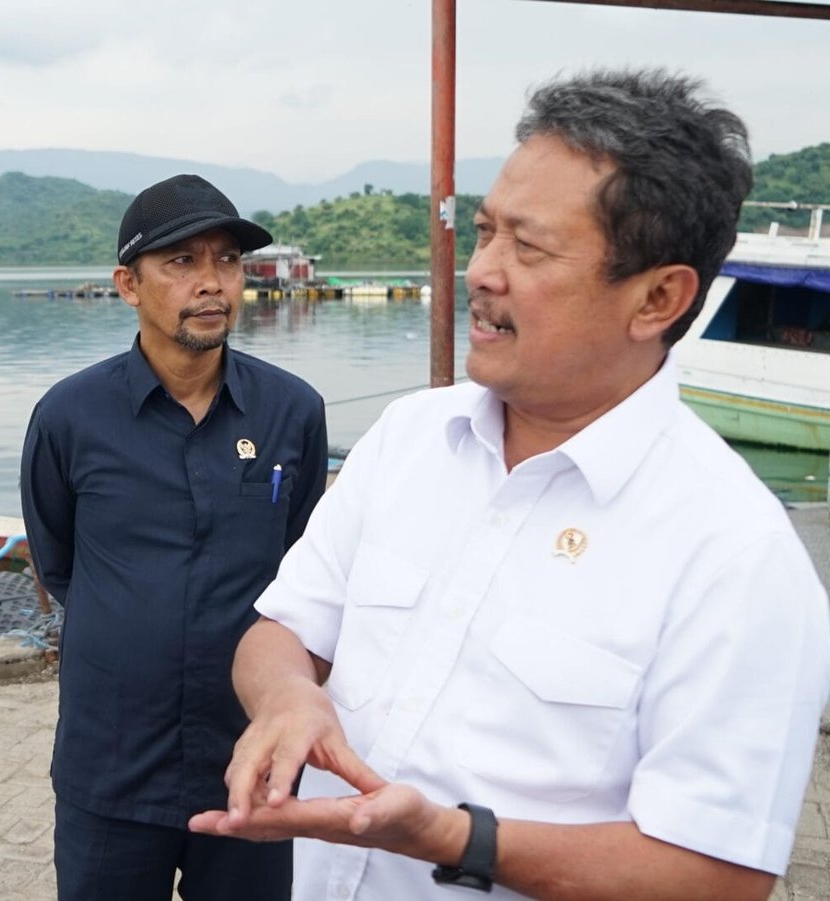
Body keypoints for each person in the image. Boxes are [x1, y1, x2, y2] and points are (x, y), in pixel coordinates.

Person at [189, 69, 830, 900]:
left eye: (528, 247)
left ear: (658, 297)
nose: (481, 271)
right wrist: (285, 700)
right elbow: (283, 629)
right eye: (486, 232)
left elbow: (717, 872)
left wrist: (454, 836)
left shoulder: (734, 552)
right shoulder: (410, 438)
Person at [21, 174, 329, 900]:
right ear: (128, 284)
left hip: (252, 762)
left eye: (225, 260)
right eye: (181, 262)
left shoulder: (292, 413)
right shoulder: (70, 417)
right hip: (112, 766)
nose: (211, 283)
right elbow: (59, 559)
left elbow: (305, 570)